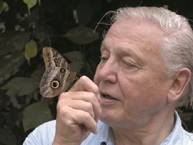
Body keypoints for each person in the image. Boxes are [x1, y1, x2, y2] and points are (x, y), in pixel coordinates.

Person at [23, 6, 193, 145]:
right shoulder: (48, 138)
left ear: (176, 84)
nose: (103, 73)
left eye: (128, 63)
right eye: (104, 57)